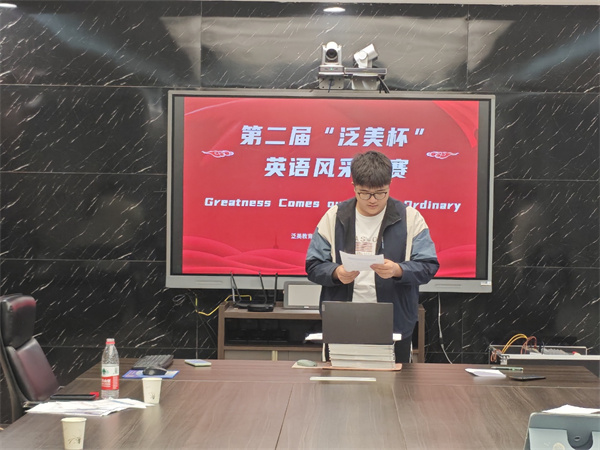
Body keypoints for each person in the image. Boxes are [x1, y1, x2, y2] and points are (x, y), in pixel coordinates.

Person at [305, 151, 439, 363]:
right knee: (338, 380)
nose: (373, 200)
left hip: (394, 320)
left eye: (380, 193)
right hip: (342, 318)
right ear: (354, 186)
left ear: (390, 185)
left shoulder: (410, 218)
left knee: (395, 382)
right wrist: (336, 273)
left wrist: (398, 270)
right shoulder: (335, 217)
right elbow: (313, 265)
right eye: (365, 193)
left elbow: (428, 265)